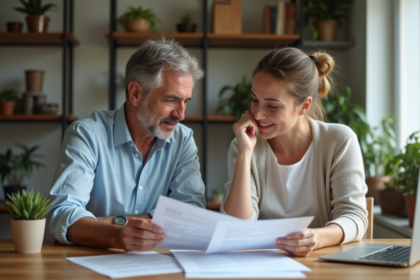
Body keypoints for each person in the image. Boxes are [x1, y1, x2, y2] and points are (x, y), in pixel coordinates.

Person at [48, 38, 205, 251]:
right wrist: (117, 236)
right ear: (136, 93)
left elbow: (190, 214)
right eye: (171, 100)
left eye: (186, 101)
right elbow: (62, 215)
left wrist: (111, 221)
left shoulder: (183, 140)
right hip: (91, 263)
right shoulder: (87, 135)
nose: (182, 115)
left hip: (159, 263)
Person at [221, 47, 368, 257]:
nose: (258, 114)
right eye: (255, 100)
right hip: (261, 265)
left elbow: (354, 217)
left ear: (304, 106)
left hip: (320, 264)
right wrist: (245, 152)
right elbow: (236, 227)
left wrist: (316, 238)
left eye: (272, 106)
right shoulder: (244, 144)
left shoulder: (339, 141)